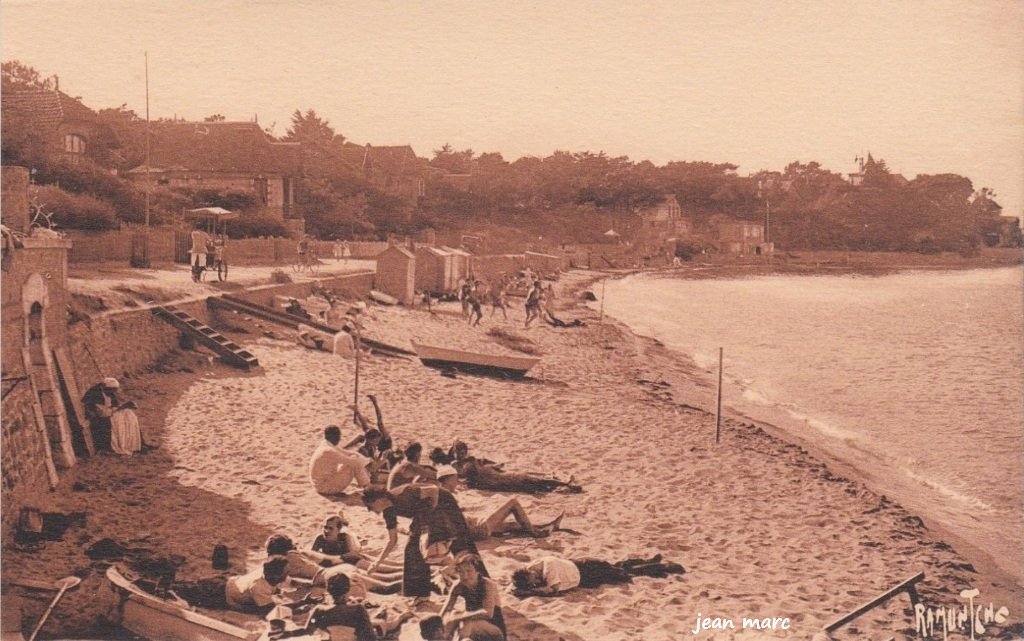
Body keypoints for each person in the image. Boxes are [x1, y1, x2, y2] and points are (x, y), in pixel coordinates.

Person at [361, 485, 484, 599]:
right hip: (423, 517)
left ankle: (482, 584)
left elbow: (433, 490)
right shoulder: (388, 512)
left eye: (370, 507)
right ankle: (418, 595)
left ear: (377, 500)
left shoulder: (404, 493)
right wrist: (377, 562)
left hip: (443, 503)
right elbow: (392, 540)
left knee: (461, 544)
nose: (371, 510)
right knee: (412, 550)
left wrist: (433, 517)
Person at [511, 554, 684, 597]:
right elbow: (515, 582)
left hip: (587, 571)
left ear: (531, 574)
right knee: (618, 567)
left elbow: (553, 590)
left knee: (623, 573)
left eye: (532, 581)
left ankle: (662, 566)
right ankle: (649, 561)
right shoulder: (534, 565)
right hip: (583, 570)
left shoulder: (548, 568)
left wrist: (531, 592)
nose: (535, 583)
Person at [171, 557, 290, 616]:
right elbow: (270, 612)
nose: (287, 575)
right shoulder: (259, 587)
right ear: (275, 575)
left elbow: (277, 585)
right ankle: (167, 586)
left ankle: (172, 583)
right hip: (219, 594)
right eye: (285, 573)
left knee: (191, 586)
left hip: (225, 581)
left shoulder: (266, 572)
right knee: (187, 593)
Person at [439, 554, 506, 641]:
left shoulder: (488, 585)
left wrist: (457, 619)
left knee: (465, 622)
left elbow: (488, 614)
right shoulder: (459, 585)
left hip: (494, 632)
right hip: (473, 631)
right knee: (453, 615)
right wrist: (437, 622)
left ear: (477, 571)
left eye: (469, 571)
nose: (465, 575)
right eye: (461, 572)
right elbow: (447, 608)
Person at [82, 377, 143, 455]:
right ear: (105, 388)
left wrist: (125, 406)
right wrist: (120, 408)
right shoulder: (96, 394)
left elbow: (114, 406)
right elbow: (102, 413)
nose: (114, 393)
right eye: (112, 390)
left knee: (130, 414)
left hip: (110, 413)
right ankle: (123, 444)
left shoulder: (109, 392)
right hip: (101, 417)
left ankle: (135, 443)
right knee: (120, 420)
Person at [309, 426, 371, 496]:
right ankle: (367, 486)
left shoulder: (326, 444)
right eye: (338, 437)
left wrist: (364, 459)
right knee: (354, 464)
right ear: (334, 437)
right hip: (324, 487)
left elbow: (347, 452)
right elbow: (353, 462)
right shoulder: (329, 451)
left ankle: (366, 484)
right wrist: (368, 461)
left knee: (354, 459)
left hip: (320, 483)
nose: (339, 439)